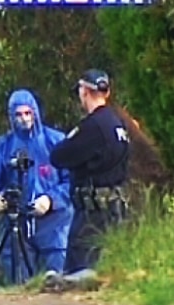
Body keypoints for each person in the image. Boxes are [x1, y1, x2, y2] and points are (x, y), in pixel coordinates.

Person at [0, 88, 73, 284]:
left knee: (59, 284)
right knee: (19, 285)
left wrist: (51, 199)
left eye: (28, 113)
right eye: (18, 114)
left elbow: (74, 180)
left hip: (55, 227)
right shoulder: (3, 146)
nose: (24, 119)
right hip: (17, 226)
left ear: (35, 112)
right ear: (11, 116)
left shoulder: (56, 142)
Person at [49, 69, 131, 276]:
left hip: (92, 215)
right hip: (116, 209)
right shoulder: (117, 123)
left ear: (85, 91)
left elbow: (59, 156)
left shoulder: (92, 127)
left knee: (80, 273)